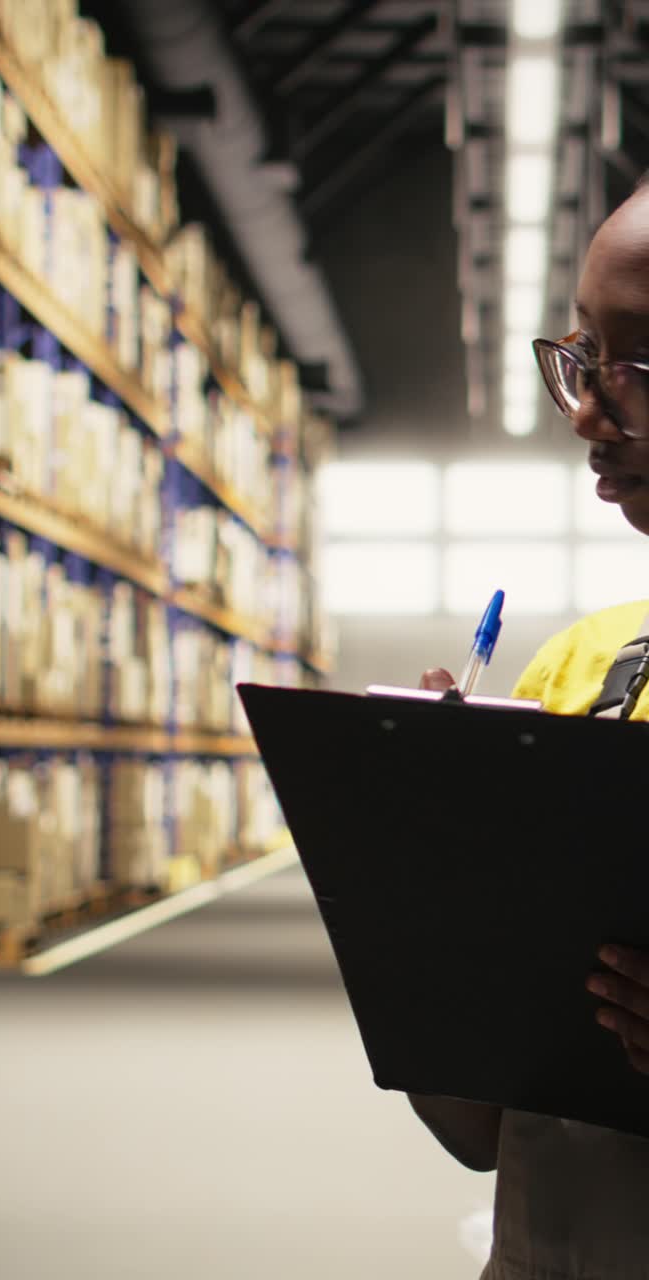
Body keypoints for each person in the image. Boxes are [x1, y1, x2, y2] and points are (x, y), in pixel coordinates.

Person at [410, 178, 649, 1279]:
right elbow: (484, 1126)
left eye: (635, 368)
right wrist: (415, 891)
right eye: (583, 358)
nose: (587, 413)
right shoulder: (585, 671)